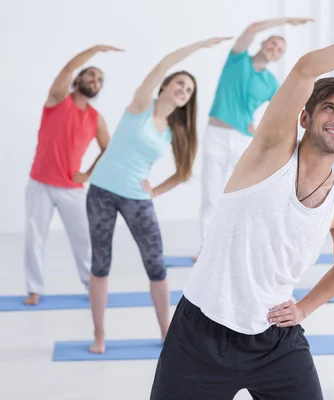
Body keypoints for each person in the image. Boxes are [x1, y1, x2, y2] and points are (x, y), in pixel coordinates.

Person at [150, 26, 334, 400]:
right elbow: (306, 68)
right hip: (200, 334)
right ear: (305, 118)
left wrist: (304, 309)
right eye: (329, 108)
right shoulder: (270, 153)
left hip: (275, 343)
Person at [85, 36, 232, 354]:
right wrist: (196, 47)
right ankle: (99, 335)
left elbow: (182, 173)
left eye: (190, 90)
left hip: (137, 199)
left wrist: (155, 191)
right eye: (180, 84)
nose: (184, 90)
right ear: (165, 86)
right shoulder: (140, 106)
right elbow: (161, 65)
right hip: (100, 193)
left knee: (156, 266)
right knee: (100, 265)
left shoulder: (174, 130)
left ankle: (167, 332)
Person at [197, 17, 313, 256]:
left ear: (278, 58)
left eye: (280, 50)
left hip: (242, 140)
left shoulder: (271, 83)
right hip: (216, 135)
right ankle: (207, 250)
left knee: (243, 193)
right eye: (272, 44)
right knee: (212, 194)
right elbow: (250, 28)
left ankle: (240, 245)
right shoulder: (237, 59)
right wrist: (288, 21)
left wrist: (260, 131)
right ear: (262, 43)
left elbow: (283, 110)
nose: (274, 49)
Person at [24, 45, 120, 306]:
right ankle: (34, 288)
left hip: (71, 188)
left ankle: (90, 286)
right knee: (35, 237)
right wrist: (96, 50)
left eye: (99, 79)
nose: (95, 81)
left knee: (84, 240)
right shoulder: (57, 100)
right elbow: (67, 68)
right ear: (78, 79)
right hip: (40, 183)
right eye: (90, 75)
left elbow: (108, 150)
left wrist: (87, 173)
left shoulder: (96, 119)